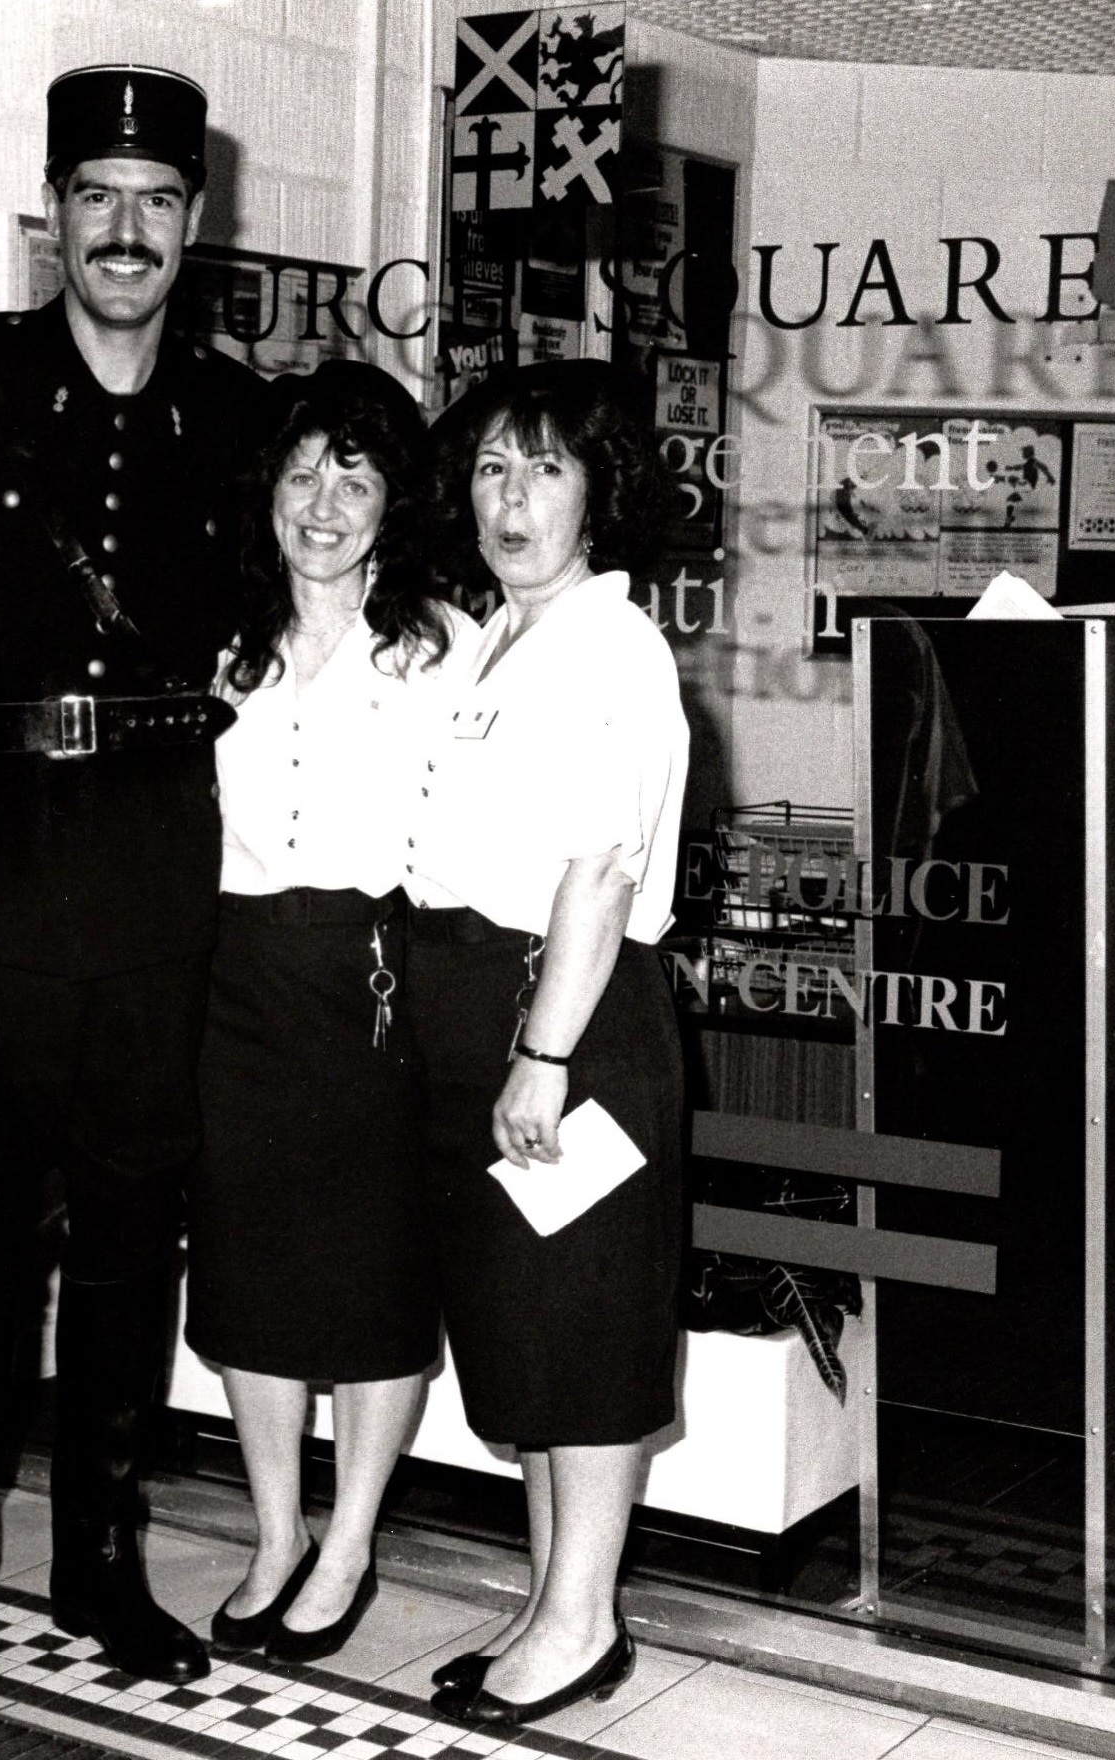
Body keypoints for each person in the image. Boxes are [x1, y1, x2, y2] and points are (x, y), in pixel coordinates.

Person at [0, 64, 271, 1698]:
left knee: (133, 1227)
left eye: (157, 202)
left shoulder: (244, 420)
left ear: (199, 224)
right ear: (51, 213)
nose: (125, 231)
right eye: (96, 198)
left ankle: (100, 1565)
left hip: (162, 856)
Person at [407, 361, 688, 1727]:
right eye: (490, 470)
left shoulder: (608, 644)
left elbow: (600, 870)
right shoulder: (492, 639)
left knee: (579, 1331)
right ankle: (546, 1603)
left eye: (546, 469)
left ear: (600, 492)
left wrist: (544, 1055)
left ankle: (581, 1625)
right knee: (525, 1327)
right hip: (497, 1019)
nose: (511, 500)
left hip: (571, 1026)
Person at [186, 360, 462, 1663]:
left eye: (353, 475)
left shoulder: (445, 649)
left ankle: (350, 1537)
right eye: (303, 472)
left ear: (393, 498)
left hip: (377, 980)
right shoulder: (221, 645)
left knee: (371, 1273)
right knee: (249, 1271)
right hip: (236, 976)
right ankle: (276, 1530)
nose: (324, 501)